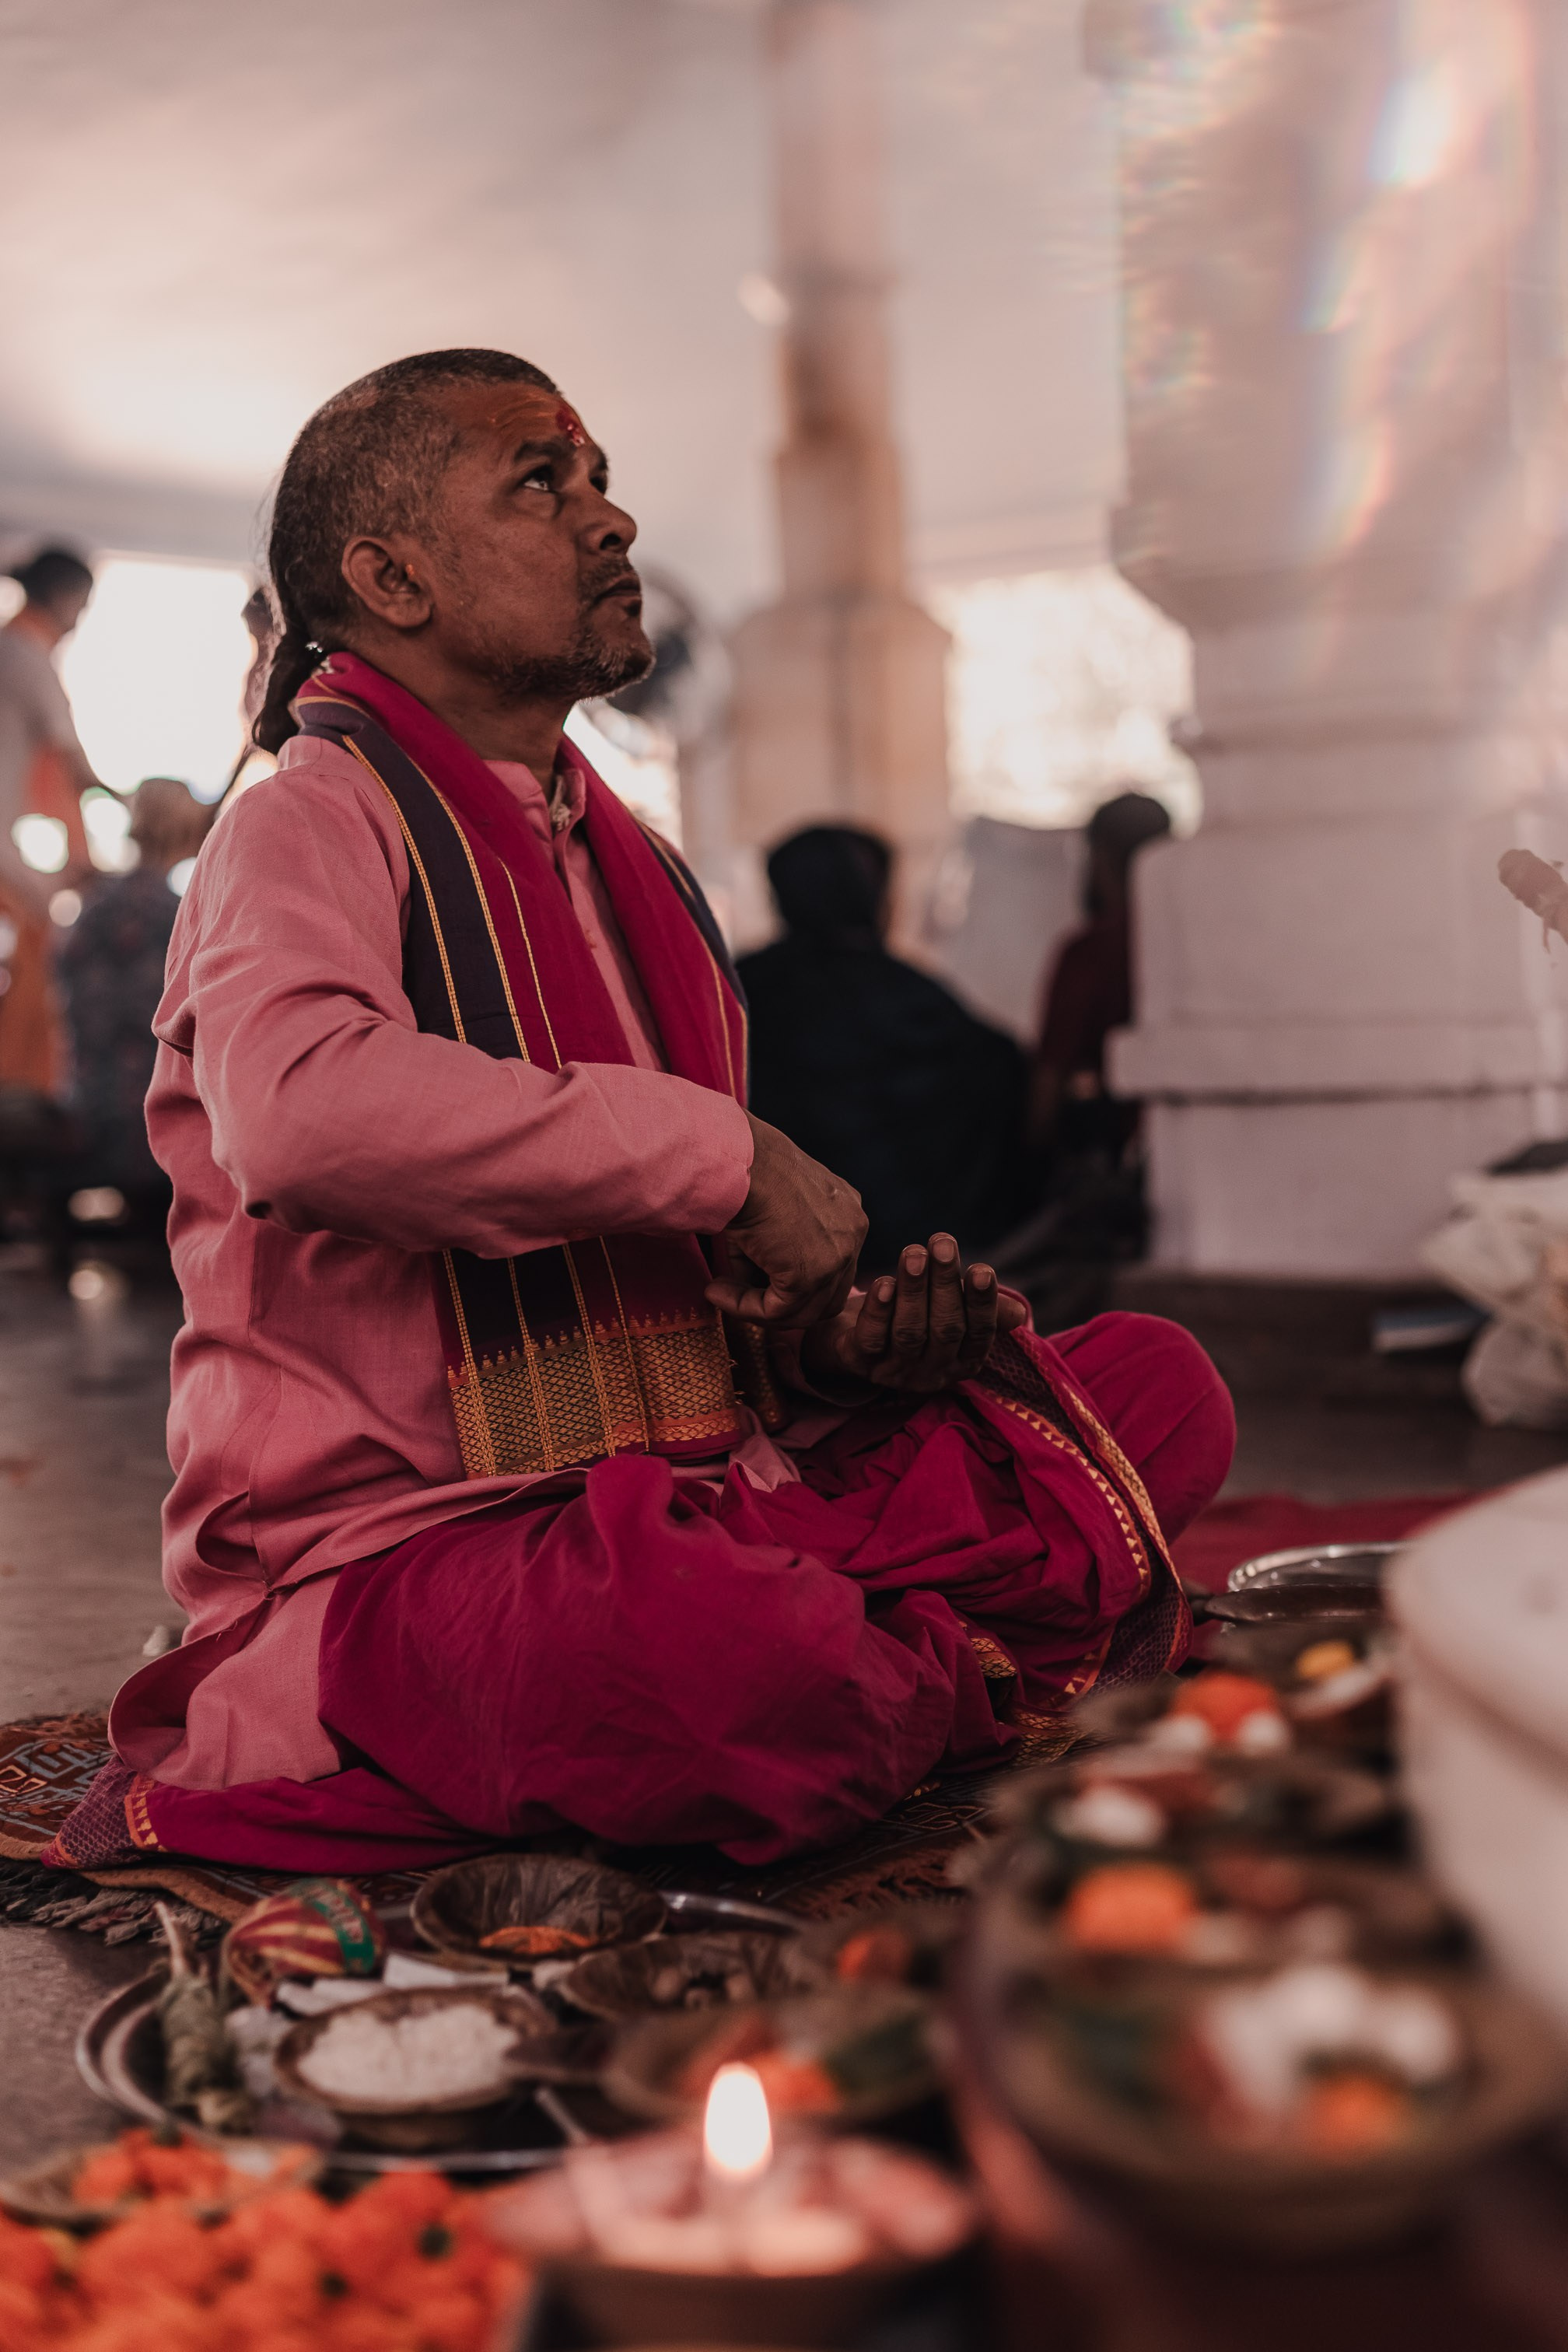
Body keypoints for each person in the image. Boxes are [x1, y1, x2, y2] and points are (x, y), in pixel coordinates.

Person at [43, 350, 1232, 1880]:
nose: (611, 523)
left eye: (599, 478)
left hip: (701, 1487)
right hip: (422, 1544)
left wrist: (830, 1354)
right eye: (544, 484)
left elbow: (683, 1298)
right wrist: (726, 1157)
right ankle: (885, 1667)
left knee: (1153, 1384)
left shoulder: (641, 867)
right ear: (389, 577)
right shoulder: (306, 818)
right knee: (716, 1655)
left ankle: (864, 1664)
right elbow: (302, 1116)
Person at [738, 826, 1027, 1273]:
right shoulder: (909, 995)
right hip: (914, 1249)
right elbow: (1001, 1080)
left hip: (769, 1245)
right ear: (873, 897)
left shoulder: (739, 989)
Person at [55, 777, 212, 1221]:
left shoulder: (93, 906)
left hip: (87, 1105)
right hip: (153, 1119)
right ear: (185, 831)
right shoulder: (177, 915)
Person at [1030, 789, 1172, 1164]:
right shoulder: (1194, 941)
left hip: (1112, 1163)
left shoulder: (1090, 952)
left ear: (1102, 856)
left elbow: (1049, 1087)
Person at [0, 546, 97, 1094]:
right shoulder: (27, 658)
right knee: (39, 957)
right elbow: (74, 766)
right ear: (65, 599)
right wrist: (147, 810)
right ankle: (19, 1093)